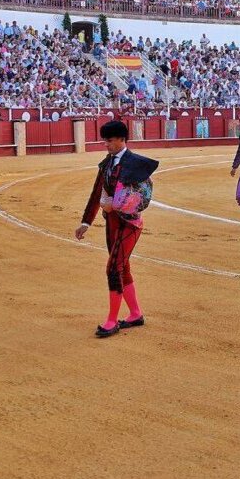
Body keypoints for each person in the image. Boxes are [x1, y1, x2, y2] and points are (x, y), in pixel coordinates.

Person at [76, 120, 159, 339]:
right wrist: (86, 222)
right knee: (123, 267)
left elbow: (143, 196)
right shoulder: (106, 164)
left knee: (113, 268)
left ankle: (112, 320)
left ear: (122, 140)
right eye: (105, 140)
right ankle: (135, 313)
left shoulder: (134, 163)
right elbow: (96, 193)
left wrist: (117, 205)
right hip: (112, 223)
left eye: (110, 141)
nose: (106, 144)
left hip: (130, 224)